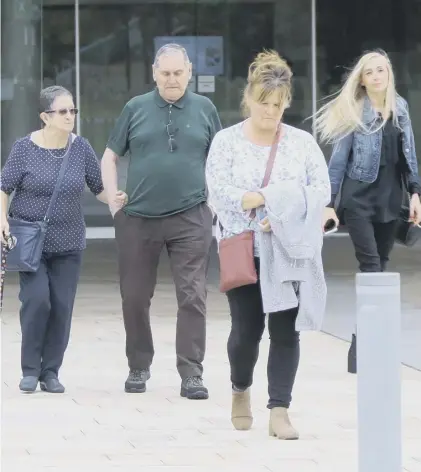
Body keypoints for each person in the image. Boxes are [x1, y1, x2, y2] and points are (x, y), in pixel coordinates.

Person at [206, 50, 330, 439]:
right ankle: (240, 389)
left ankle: (280, 408)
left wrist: (265, 197)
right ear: (249, 99)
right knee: (246, 331)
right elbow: (219, 193)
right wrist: (265, 197)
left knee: (285, 330)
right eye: (263, 103)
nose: (270, 112)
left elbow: (321, 189)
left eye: (278, 105)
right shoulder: (226, 142)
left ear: (286, 103)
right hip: (243, 247)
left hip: (288, 250)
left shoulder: (302, 143)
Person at [101, 43, 222, 399]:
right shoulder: (135, 108)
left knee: (193, 295)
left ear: (189, 73)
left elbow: (220, 158)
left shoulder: (205, 108)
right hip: (138, 218)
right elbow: (109, 156)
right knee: (134, 297)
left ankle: (191, 373)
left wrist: (214, 205)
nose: (172, 79)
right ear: (154, 73)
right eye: (165, 73)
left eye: (178, 73)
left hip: (191, 215)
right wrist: (112, 201)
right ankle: (138, 365)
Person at [0, 86, 127, 393]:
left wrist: (114, 196)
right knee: (37, 300)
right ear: (45, 116)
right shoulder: (24, 148)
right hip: (31, 242)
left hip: (69, 242)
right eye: (63, 111)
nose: (70, 116)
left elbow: (97, 187)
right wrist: (2, 220)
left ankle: (50, 372)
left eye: (73, 110)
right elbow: (3, 187)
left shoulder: (80, 148)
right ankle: (29, 369)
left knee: (61, 305)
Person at [315, 49, 421, 373]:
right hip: (359, 201)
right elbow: (338, 162)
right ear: (361, 79)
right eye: (369, 72)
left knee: (381, 270)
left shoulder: (399, 108)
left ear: (389, 75)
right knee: (372, 268)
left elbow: (409, 154)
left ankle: (363, 345)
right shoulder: (354, 111)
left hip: (390, 202)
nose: (376, 76)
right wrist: (329, 203)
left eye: (381, 70)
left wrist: (416, 192)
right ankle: (365, 351)